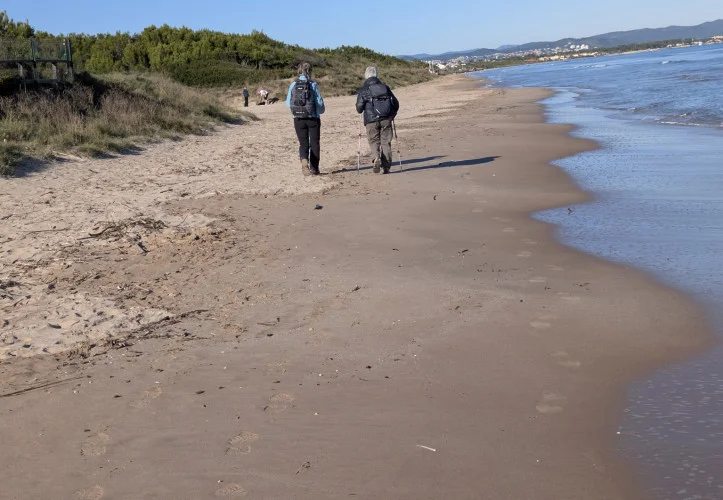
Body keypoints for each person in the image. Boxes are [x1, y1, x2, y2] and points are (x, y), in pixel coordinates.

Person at [356, 66, 400, 174]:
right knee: (386, 142)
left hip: (371, 120)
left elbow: (359, 108)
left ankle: (376, 158)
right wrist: (392, 114)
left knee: (373, 141)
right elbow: (396, 104)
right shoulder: (385, 87)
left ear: (366, 76)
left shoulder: (363, 89)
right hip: (386, 118)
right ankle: (386, 166)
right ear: (377, 75)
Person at [286, 62, 325, 176]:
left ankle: (304, 160)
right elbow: (319, 102)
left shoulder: (293, 85)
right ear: (310, 71)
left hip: (298, 118)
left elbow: (288, 103)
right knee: (314, 143)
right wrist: (320, 111)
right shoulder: (313, 84)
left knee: (303, 143)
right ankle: (314, 168)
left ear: (298, 71)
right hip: (313, 118)